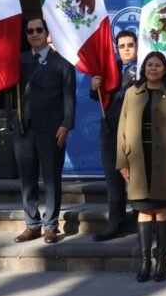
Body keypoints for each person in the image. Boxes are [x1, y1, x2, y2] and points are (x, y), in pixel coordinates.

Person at [116, 51, 166, 282]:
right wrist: (122, 161)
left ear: (165, 69)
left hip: (165, 163)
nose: (153, 69)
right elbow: (122, 129)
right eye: (149, 65)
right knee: (144, 211)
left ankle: (161, 261)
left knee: (162, 210)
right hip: (137, 161)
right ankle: (145, 262)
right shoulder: (131, 93)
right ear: (143, 68)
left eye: (157, 65)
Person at [13, 16, 76, 245]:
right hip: (24, 128)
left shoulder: (62, 61)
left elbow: (69, 95)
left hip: (52, 129)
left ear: (48, 33)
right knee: (27, 179)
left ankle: (51, 225)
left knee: (51, 178)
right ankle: (32, 225)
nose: (34, 34)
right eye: (30, 31)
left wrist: (66, 123)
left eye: (39, 29)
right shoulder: (18, 60)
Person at [89, 29, 139, 242]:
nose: (126, 49)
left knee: (138, 181)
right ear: (117, 49)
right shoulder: (111, 68)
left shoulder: (148, 67)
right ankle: (116, 223)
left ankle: (142, 223)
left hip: (136, 133)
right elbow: (99, 96)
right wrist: (94, 88)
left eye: (130, 45)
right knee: (113, 181)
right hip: (110, 131)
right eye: (122, 46)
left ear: (137, 46)